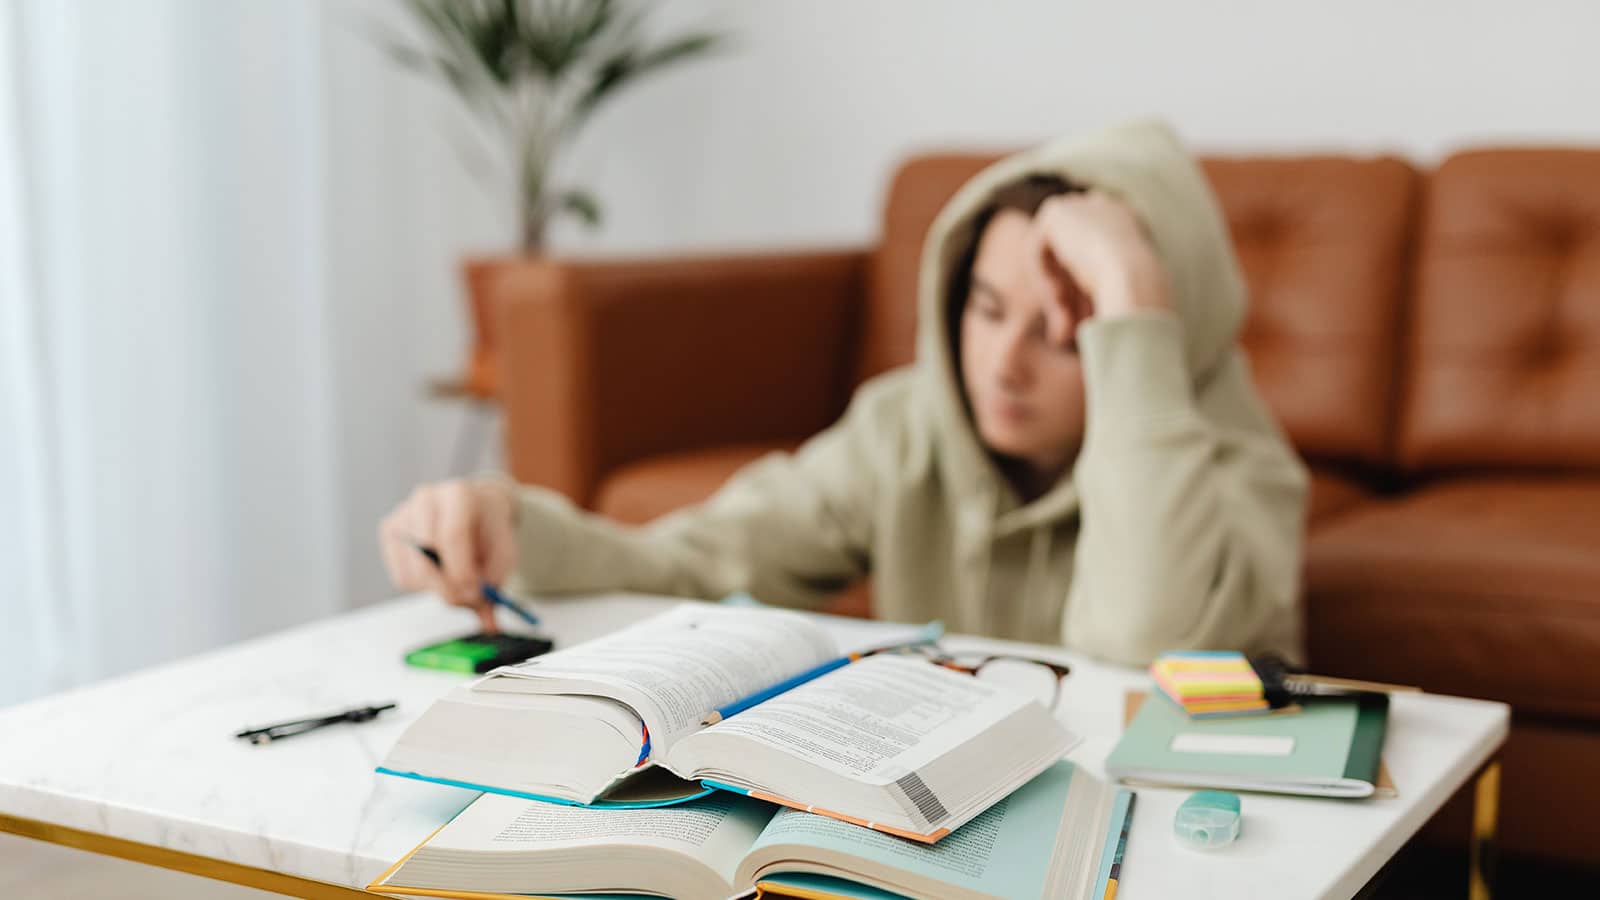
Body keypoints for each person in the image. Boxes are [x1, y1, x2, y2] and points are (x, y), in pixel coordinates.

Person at [379, 120, 1309, 665]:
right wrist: (512, 524)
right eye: (985, 310)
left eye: (1064, 335)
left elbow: (1141, 659)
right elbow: (695, 561)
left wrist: (1132, 299)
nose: (1003, 365)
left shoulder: (1242, 472)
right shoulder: (907, 428)